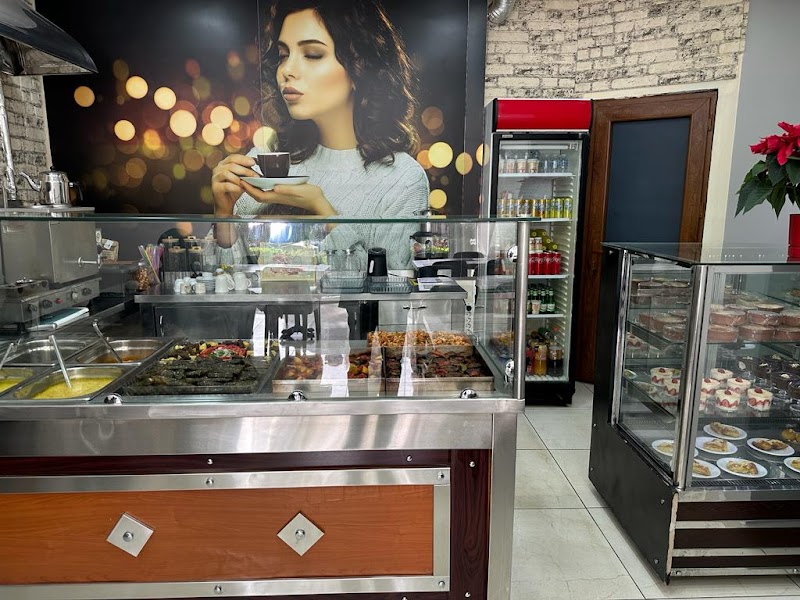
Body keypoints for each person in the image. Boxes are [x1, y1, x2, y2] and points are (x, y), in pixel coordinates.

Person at [211, 0, 429, 270]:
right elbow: (228, 281)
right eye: (283, 55)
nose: (286, 70)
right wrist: (223, 213)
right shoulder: (263, 164)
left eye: (312, 54)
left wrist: (323, 211)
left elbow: (393, 290)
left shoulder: (402, 180)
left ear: (360, 67)